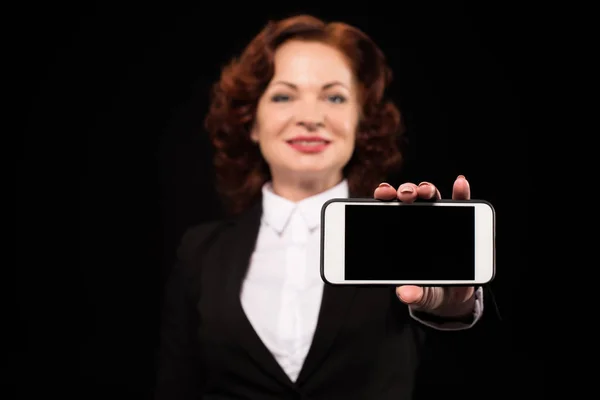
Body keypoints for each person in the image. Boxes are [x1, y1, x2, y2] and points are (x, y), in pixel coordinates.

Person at [154, 14, 484, 400]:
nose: (310, 117)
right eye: (283, 96)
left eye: (334, 97)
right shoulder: (200, 253)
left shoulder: (400, 231)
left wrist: (455, 306)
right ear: (252, 122)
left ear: (361, 122)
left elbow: (459, 351)